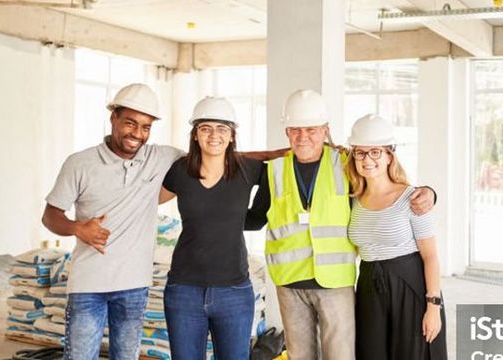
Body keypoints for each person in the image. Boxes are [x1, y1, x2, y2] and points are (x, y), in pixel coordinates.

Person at [245, 89, 436, 360]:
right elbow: (255, 218)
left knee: (341, 355)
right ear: (287, 132)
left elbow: (384, 186)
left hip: (335, 283)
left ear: (325, 131)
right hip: (289, 282)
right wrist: (217, 217)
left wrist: (427, 192)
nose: (303, 136)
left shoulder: (347, 164)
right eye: (295, 130)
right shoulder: (272, 169)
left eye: (311, 129)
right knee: (300, 356)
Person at [42, 83, 185, 359]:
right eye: (130, 123)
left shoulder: (159, 158)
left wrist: (270, 157)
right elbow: (50, 215)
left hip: (134, 286)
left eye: (146, 127)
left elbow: (213, 156)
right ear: (113, 118)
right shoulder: (80, 164)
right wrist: (77, 228)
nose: (138, 134)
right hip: (88, 285)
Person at [158, 96, 278, 360]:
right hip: (184, 291)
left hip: (234, 292)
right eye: (206, 128)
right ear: (196, 135)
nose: (214, 135)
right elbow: (148, 200)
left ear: (232, 135)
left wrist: (235, 220)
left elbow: (259, 216)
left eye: (222, 128)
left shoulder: (249, 169)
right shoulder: (180, 171)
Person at [345, 114, 447, 360]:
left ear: (390, 155)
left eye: (375, 152)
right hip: (369, 286)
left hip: (409, 285)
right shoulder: (353, 200)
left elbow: (430, 255)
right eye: (360, 152)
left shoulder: (412, 199)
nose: (367, 160)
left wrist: (433, 306)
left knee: (412, 352)